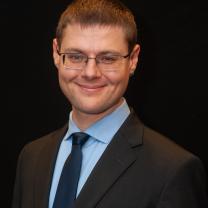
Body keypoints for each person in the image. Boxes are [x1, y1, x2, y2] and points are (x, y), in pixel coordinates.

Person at [12, 0, 208, 207]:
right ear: (55, 53)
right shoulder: (31, 157)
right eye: (76, 56)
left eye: (108, 59)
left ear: (133, 60)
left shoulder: (173, 170)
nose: (90, 73)